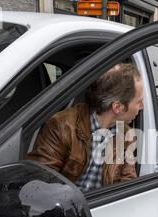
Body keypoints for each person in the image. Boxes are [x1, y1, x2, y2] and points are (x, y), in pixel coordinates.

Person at [27, 63, 144, 192]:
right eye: (139, 102)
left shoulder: (126, 136)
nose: (142, 107)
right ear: (117, 107)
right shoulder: (62, 126)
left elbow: (127, 186)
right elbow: (40, 184)